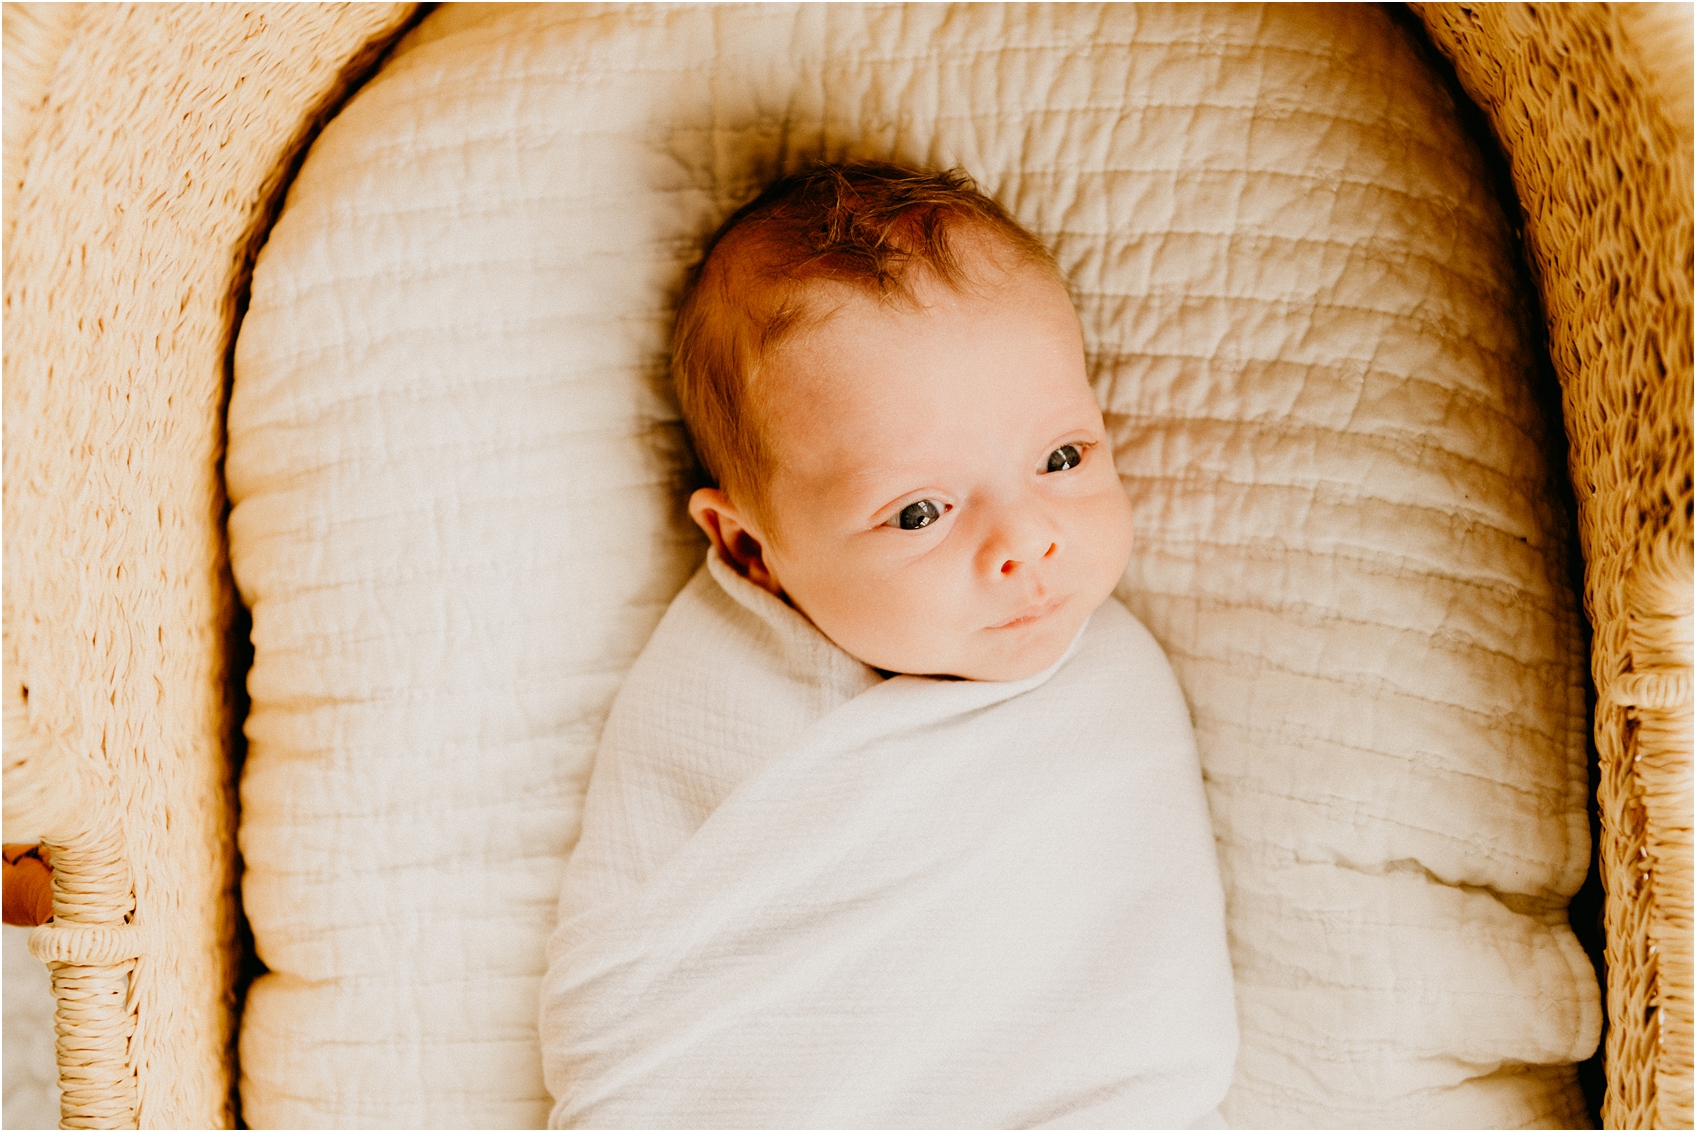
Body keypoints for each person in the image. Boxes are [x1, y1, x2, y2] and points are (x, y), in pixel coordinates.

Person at [540, 162, 1237, 1128]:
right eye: (920, 511)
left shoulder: (1107, 691)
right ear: (753, 548)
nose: (1025, 541)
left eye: (1062, 458)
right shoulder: (715, 692)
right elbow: (654, 1006)